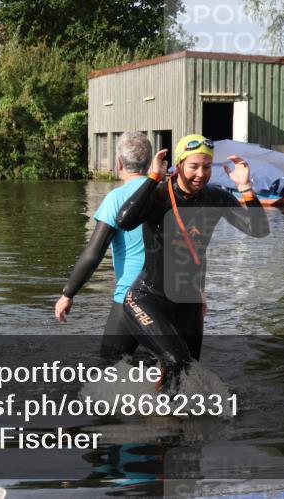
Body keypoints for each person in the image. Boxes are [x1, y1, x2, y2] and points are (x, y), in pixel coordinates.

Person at [115, 134, 269, 394]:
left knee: (186, 372)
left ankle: (168, 424)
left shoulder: (215, 199)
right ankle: (162, 421)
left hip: (188, 302)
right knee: (176, 360)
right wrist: (153, 179)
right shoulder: (159, 195)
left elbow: (258, 229)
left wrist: (245, 188)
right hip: (147, 298)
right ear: (178, 165)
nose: (201, 173)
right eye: (193, 166)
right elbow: (125, 220)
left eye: (206, 167)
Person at [56, 131, 152, 361]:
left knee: (110, 366)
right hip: (171, 295)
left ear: (119, 163)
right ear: (149, 163)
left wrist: (68, 294)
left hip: (133, 294)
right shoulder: (165, 194)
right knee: (165, 371)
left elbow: (94, 253)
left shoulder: (117, 198)